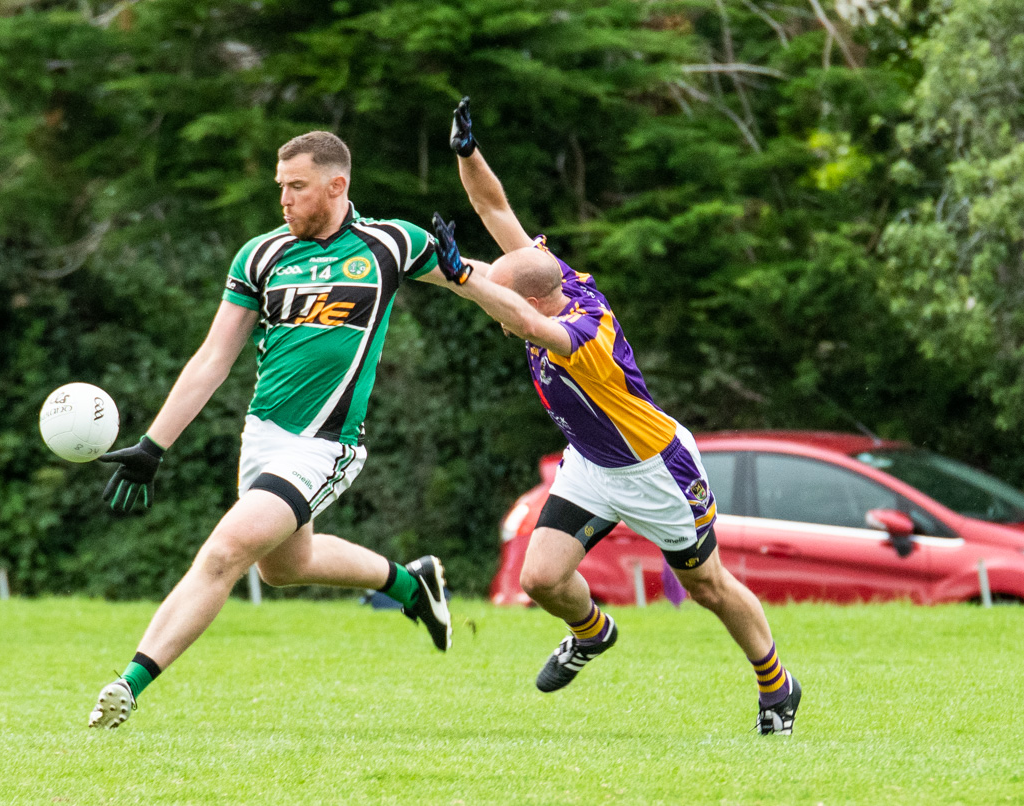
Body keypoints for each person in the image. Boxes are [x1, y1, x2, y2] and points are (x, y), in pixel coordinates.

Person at [428, 98, 802, 735]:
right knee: (541, 577)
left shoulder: (577, 332)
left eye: (500, 289)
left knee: (709, 586)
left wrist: (460, 274)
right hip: (593, 463)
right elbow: (496, 211)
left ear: (532, 297)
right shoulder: (551, 277)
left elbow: (518, 317)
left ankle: (777, 686)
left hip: (654, 468)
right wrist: (467, 153)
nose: (495, 296)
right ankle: (592, 633)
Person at [88, 131, 454, 730]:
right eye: (280, 186)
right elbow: (214, 357)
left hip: (326, 446)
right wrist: (154, 446)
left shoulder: (391, 242)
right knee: (282, 568)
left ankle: (130, 683)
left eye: (297, 186)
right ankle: (411, 586)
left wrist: (553, 284)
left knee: (226, 550)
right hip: (261, 439)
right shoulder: (261, 255)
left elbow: (486, 282)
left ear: (337, 185)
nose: (283, 199)